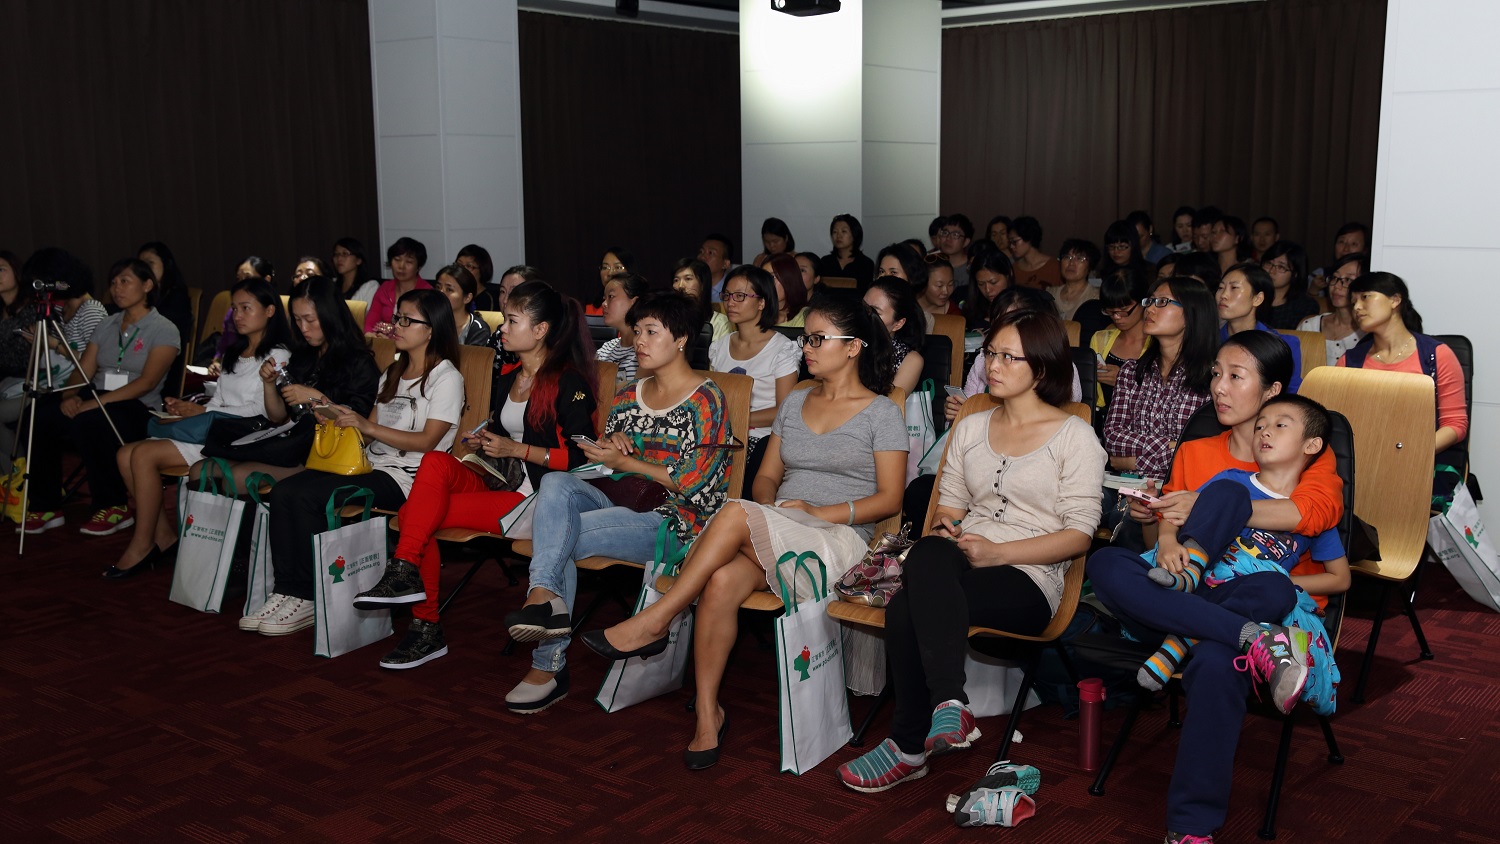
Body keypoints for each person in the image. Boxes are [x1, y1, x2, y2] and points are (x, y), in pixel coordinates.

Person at [583, 292, 906, 768]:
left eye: (817, 339)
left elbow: (890, 500)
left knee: (734, 513)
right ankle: (707, 715)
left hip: (841, 540)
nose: (806, 347)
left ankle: (657, 619)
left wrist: (818, 513)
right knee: (720, 580)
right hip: (782, 529)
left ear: (854, 346)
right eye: (805, 338)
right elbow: (766, 478)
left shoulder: (882, 412)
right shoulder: (796, 401)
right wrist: (774, 510)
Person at [835, 308, 1105, 793]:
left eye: (1008, 357)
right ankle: (949, 705)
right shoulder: (972, 426)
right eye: (991, 353)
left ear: (1041, 367)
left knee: (907, 604)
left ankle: (908, 746)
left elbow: (1079, 537)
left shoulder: (1075, 436)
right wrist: (953, 528)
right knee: (929, 552)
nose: (993, 365)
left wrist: (996, 553)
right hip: (961, 558)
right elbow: (950, 507)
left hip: (1031, 576)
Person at [1089, 395, 1348, 844]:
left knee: (1264, 605)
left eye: (1280, 425)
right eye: (1261, 424)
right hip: (1178, 593)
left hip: (1238, 603)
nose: (1264, 431)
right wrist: (1169, 541)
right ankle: (1248, 637)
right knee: (1105, 562)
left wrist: (1281, 582)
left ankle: (1190, 827)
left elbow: (1340, 578)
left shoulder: (1311, 511)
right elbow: (1171, 523)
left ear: (1312, 445)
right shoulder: (1229, 481)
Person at [501, 291, 733, 714]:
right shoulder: (630, 394)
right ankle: (545, 595)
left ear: (681, 339)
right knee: (555, 483)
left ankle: (547, 664)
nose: (638, 340)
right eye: (636, 331)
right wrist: (609, 449)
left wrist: (628, 461)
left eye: (651, 332)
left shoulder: (706, 399)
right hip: (620, 501)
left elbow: (695, 485)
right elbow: (605, 469)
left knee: (559, 539)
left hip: (678, 521)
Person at [348, 281, 597, 668]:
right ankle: (405, 573)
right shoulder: (510, 376)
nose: (503, 328)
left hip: (537, 499)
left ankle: (424, 623)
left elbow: (583, 460)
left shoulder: (568, 382)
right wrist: (486, 440)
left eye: (512, 321)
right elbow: (505, 435)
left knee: (414, 515)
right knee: (435, 462)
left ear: (540, 330)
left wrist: (516, 449)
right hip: (500, 479)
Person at [115, 277, 381, 572]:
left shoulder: (358, 362)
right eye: (297, 320)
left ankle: (244, 563)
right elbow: (278, 417)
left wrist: (316, 397)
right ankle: (216, 559)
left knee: (236, 476)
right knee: (202, 470)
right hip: (288, 442)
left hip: (322, 455)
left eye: (310, 319)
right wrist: (269, 385)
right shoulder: (304, 356)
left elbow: (358, 426)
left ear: (330, 316)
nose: (303, 328)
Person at [248, 288, 465, 636]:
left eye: (407, 320)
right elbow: (366, 437)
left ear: (431, 330)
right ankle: (287, 589)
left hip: (409, 479)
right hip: (370, 465)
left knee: (309, 496)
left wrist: (366, 425)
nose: (397, 325)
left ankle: (307, 595)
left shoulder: (446, 377)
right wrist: (333, 415)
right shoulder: (393, 372)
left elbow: (427, 442)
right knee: (286, 490)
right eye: (396, 318)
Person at [102, 277, 291, 575]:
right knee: (125, 454)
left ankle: (141, 544)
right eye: (235, 308)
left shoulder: (278, 355)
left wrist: (204, 412)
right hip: (217, 429)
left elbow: (263, 411)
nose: (238, 315)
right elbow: (219, 402)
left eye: (246, 308)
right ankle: (162, 536)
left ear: (269, 311)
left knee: (142, 455)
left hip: (245, 437)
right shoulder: (235, 352)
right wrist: (192, 410)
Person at [21, 258, 181, 539]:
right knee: (39, 415)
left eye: (125, 281)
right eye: (114, 282)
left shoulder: (164, 328)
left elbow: (147, 382)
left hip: (138, 405)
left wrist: (95, 403)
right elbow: (83, 370)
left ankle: (113, 506)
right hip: (96, 394)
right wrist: (69, 395)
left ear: (147, 285)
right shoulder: (107, 324)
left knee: (92, 421)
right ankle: (46, 505)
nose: (117, 289)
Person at [1341, 272, 1467, 496]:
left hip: (1418, 467)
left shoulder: (1436, 356)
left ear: (1395, 300)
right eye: (1353, 302)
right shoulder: (1350, 360)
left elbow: (1455, 424)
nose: (1357, 307)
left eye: (1365, 297)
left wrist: (1409, 453)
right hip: (1361, 467)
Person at [1102, 277, 1216, 484]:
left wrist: (1136, 462)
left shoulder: (1213, 378)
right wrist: (1173, 446)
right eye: (1150, 301)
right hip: (1127, 486)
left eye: (1162, 302)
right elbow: (1112, 437)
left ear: (1192, 314)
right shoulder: (1131, 371)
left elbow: (1203, 452)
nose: (1150, 309)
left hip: (1184, 488)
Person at [712, 266, 799, 484]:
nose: (731, 302)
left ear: (761, 302)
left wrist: (738, 419)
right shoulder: (719, 346)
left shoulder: (782, 349)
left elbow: (784, 411)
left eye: (740, 296)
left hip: (762, 440)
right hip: (721, 436)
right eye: (727, 295)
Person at [1215, 262, 1302, 393]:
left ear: (1257, 299)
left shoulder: (1284, 345)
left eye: (1234, 288)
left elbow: (1291, 394)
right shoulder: (1208, 341)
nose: (1223, 295)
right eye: (1220, 288)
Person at [1089, 268, 1151, 415]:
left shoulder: (1158, 344)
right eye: (1110, 311)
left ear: (1144, 302)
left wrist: (1125, 380)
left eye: (1123, 310)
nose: (1116, 317)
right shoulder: (1100, 339)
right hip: (1103, 417)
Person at [137, 241, 196, 394]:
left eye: (150, 263)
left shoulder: (177, 298)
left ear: (166, 264)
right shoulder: (138, 297)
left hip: (166, 369)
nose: (144, 269)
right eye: (141, 264)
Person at [1298, 253, 1366, 366]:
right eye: (1335, 278)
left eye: (1348, 280)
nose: (1337, 286)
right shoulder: (1309, 326)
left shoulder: (1369, 333)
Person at [863, 276, 926, 396]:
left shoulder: (910, 360)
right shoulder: (848, 341)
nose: (865, 315)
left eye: (875, 312)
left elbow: (889, 405)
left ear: (898, 324)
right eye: (863, 307)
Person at [365, 237, 431, 332]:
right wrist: (371, 335)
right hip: (381, 340)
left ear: (419, 267)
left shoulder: (427, 293)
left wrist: (390, 330)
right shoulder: (385, 288)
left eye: (409, 262)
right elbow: (369, 323)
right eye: (397, 259)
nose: (401, 266)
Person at [595, 272, 649, 385]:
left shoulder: (647, 351)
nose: (604, 304)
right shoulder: (606, 349)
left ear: (634, 302)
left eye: (611, 297)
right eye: (604, 298)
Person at [1259, 241, 1319, 330]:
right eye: (1268, 263)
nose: (1271, 271)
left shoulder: (1305, 306)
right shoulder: (1251, 298)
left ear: (1295, 274)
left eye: (1281, 267)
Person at [673, 257, 732, 340]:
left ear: (702, 284)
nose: (680, 286)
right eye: (676, 280)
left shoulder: (719, 322)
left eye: (688, 279)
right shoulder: (667, 318)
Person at [432, 263, 489, 345]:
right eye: (438, 287)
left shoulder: (478, 329)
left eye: (449, 289)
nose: (440, 293)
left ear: (467, 298)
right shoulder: (429, 321)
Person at [817, 213, 874, 289]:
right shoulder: (825, 262)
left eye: (844, 231)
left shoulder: (866, 264)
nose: (838, 236)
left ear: (855, 234)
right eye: (835, 232)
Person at [962, 247, 1012, 332]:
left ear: (1009, 274)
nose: (987, 290)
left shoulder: (1023, 307)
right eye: (981, 284)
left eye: (993, 282)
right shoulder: (972, 311)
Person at [1008, 217, 1061, 289]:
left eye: (1014, 241)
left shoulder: (1055, 266)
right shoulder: (1014, 269)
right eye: (1010, 242)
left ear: (1029, 238)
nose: (1011, 246)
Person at [1055, 238, 1102, 320]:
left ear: (1090, 266)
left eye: (1079, 258)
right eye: (1067, 257)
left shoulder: (1096, 297)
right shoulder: (1050, 294)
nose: (1071, 263)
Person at [332, 237, 380, 304]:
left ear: (358, 260)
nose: (339, 258)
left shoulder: (370, 287)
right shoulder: (331, 284)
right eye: (336, 254)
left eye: (345, 254)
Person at [766, 253, 809, 328]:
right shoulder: (754, 313)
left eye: (772, 277)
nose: (766, 283)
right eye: (763, 277)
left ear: (790, 279)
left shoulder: (805, 316)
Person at [935, 214, 974, 289]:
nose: (948, 238)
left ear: (966, 242)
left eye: (955, 235)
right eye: (945, 233)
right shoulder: (932, 263)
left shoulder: (972, 266)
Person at [456, 244, 497, 310]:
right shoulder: (454, 294)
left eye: (469, 266)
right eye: (459, 265)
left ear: (482, 270)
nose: (462, 270)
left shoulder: (487, 299)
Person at [699, 234, 735, 302]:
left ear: (725, 264)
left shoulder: (732, 292)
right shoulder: (691, 287)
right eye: (701, 251)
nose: (702, 257)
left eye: (710, 253)